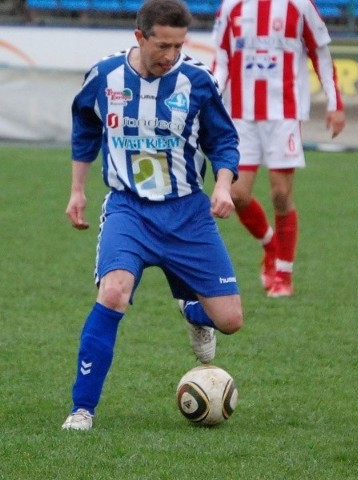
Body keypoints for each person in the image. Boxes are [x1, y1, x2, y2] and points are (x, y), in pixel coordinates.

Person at [61, 0, 243, 431]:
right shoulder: (105, 76)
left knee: (231, 321)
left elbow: (224, 141)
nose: (170, 55)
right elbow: (85, 127)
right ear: (139, 36)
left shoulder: (197, 80)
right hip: (129, 209)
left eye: (178, 45)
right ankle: (82, 409)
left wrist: (221, 185)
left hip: (188, 213)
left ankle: (193, 311)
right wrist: (77, 191)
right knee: (113, 293)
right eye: (162, 45)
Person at [210, 0, 346, 298]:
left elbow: (321, 55)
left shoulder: (299, 6)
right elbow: (221, 58)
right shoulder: (231, 6)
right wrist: (211, 99)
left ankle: (283, 273)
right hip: (240, 114)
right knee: (236, 194)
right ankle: (269, 244)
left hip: (283, 114)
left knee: (281, 194)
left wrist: (334, 103)